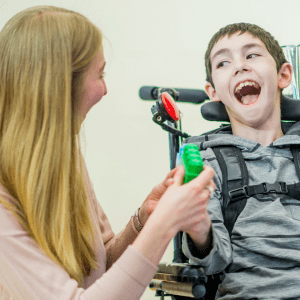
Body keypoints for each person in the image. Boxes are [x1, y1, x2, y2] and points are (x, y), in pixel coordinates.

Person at [0, 5, 217, 300]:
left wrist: (145, 218)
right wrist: (165, 224)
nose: (105, 90)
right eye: (100, 74)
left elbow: (98, 273)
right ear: (61, 85)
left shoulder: (66, 156)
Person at [180, 22, 300, 299]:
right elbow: (212, 262)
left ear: (284, 75)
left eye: (252, 55)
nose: (239, 67)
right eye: (223, 62)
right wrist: (199, 228)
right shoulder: (206, 163)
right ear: (213, 92)